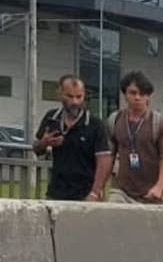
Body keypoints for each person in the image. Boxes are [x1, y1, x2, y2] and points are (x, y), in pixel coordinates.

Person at [33, 74, 112, 202]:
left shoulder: (95, 124)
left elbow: (104, 160)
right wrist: (44, 142)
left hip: (85, 194)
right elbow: (36, 149)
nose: (75, 102)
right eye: (69, 96)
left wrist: (95, 192)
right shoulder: (51, 118)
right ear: (60, 94)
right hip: (56, 192)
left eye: (79, 97)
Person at [108, 70, 163, 204]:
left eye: (142, 94)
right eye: (133, 93)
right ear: (125, 95)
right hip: (122, 191)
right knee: (112, 215)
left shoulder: (160, 124)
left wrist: (159, 187)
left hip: (150, 194)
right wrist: (98, 187)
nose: (138, 98)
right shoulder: (115, 120)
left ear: (148, 97)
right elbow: (109, 155)